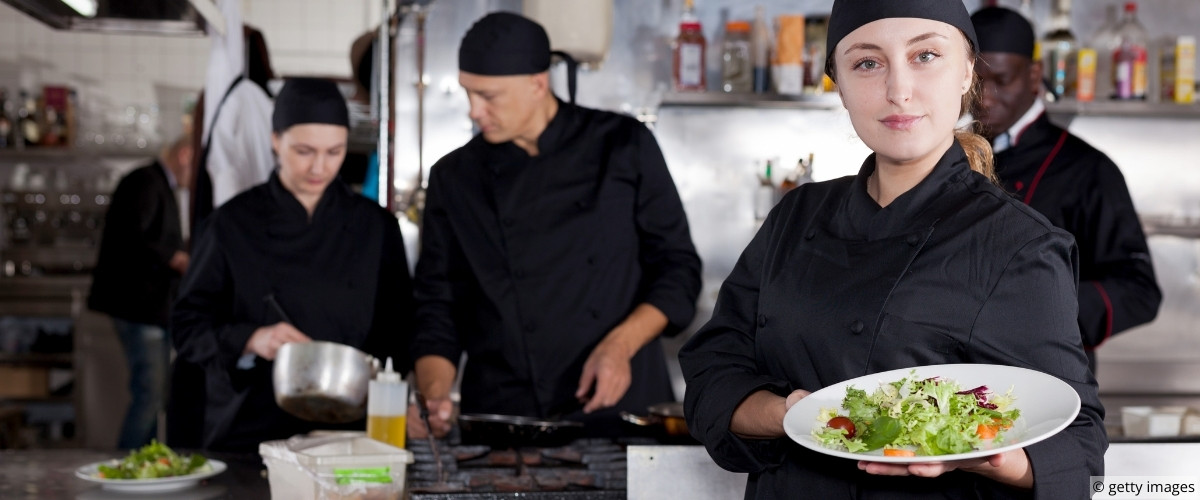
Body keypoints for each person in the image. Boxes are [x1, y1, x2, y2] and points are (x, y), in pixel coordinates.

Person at [679, 0, 1105, 497]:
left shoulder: (1017, 244)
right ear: (839, 85)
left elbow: (1081, 454)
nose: (898, 90)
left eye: (925, 56)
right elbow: (711, 377)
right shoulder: (795, 217)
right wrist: (792, 415)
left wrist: (995, 458)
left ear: (967, 72)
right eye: (867, 63)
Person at [410, 12, 702, 437]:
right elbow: (437, 306)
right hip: (505, 419)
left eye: (488, 96)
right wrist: (434, 396)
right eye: (468, 93)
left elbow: (679, 271)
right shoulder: (454, 177)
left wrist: (619, 346)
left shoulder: (622, 145)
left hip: (618, 411)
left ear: (537, 83)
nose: (474, 110)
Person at [172, 78, 414, 452]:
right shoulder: (231, 224)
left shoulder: (375, 227)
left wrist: (402, 395)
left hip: (351, 435)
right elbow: (187, 326)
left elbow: (401, 331)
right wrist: (252, 338)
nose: (319, 167)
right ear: (275, 140)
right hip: (250, 430)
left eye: (334, 152)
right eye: (304, 151)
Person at [970, 7, 1161, 373]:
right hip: (959, 375)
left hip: (1052, 375)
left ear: (1033, 75)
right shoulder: (949, 157)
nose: (986, 98)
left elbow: (1139, 290)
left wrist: (1035, 307)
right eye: (975, 83)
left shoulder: (1088, 168)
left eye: (1002, 81)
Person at [88, 135, 192, 449]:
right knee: (150, 395)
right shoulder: (145, 181)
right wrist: (176, 258)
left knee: (154, 395)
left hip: (149, 308)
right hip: (138, 307)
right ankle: (128, 465)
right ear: (186, 155)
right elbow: (133, 237)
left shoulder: (157, 183)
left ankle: (143, 463)